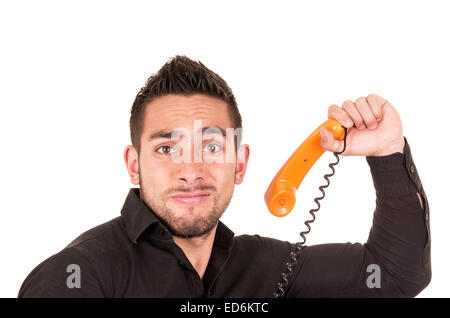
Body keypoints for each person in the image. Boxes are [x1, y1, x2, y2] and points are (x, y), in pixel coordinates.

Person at [18, 55, 431, 297]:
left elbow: (393, 276)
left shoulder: (267, 267)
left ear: (240, 163)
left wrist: (387, 153)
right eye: (166, 149)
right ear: (133, 164)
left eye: (212, 147)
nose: (191, 170)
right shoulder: (78, 276)